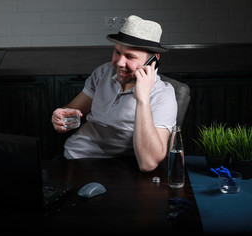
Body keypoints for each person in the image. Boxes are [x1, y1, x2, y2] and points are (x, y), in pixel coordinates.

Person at [51, 15, 177, 172]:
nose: (119, 62)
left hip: (120, 169)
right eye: (117, 52)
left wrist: (142, 99)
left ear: (153, 60)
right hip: (75, 157)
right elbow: (73, 110)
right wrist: (61, 117)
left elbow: (148, 163)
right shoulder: (103, 72)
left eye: (130, 57)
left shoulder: (163, 95)